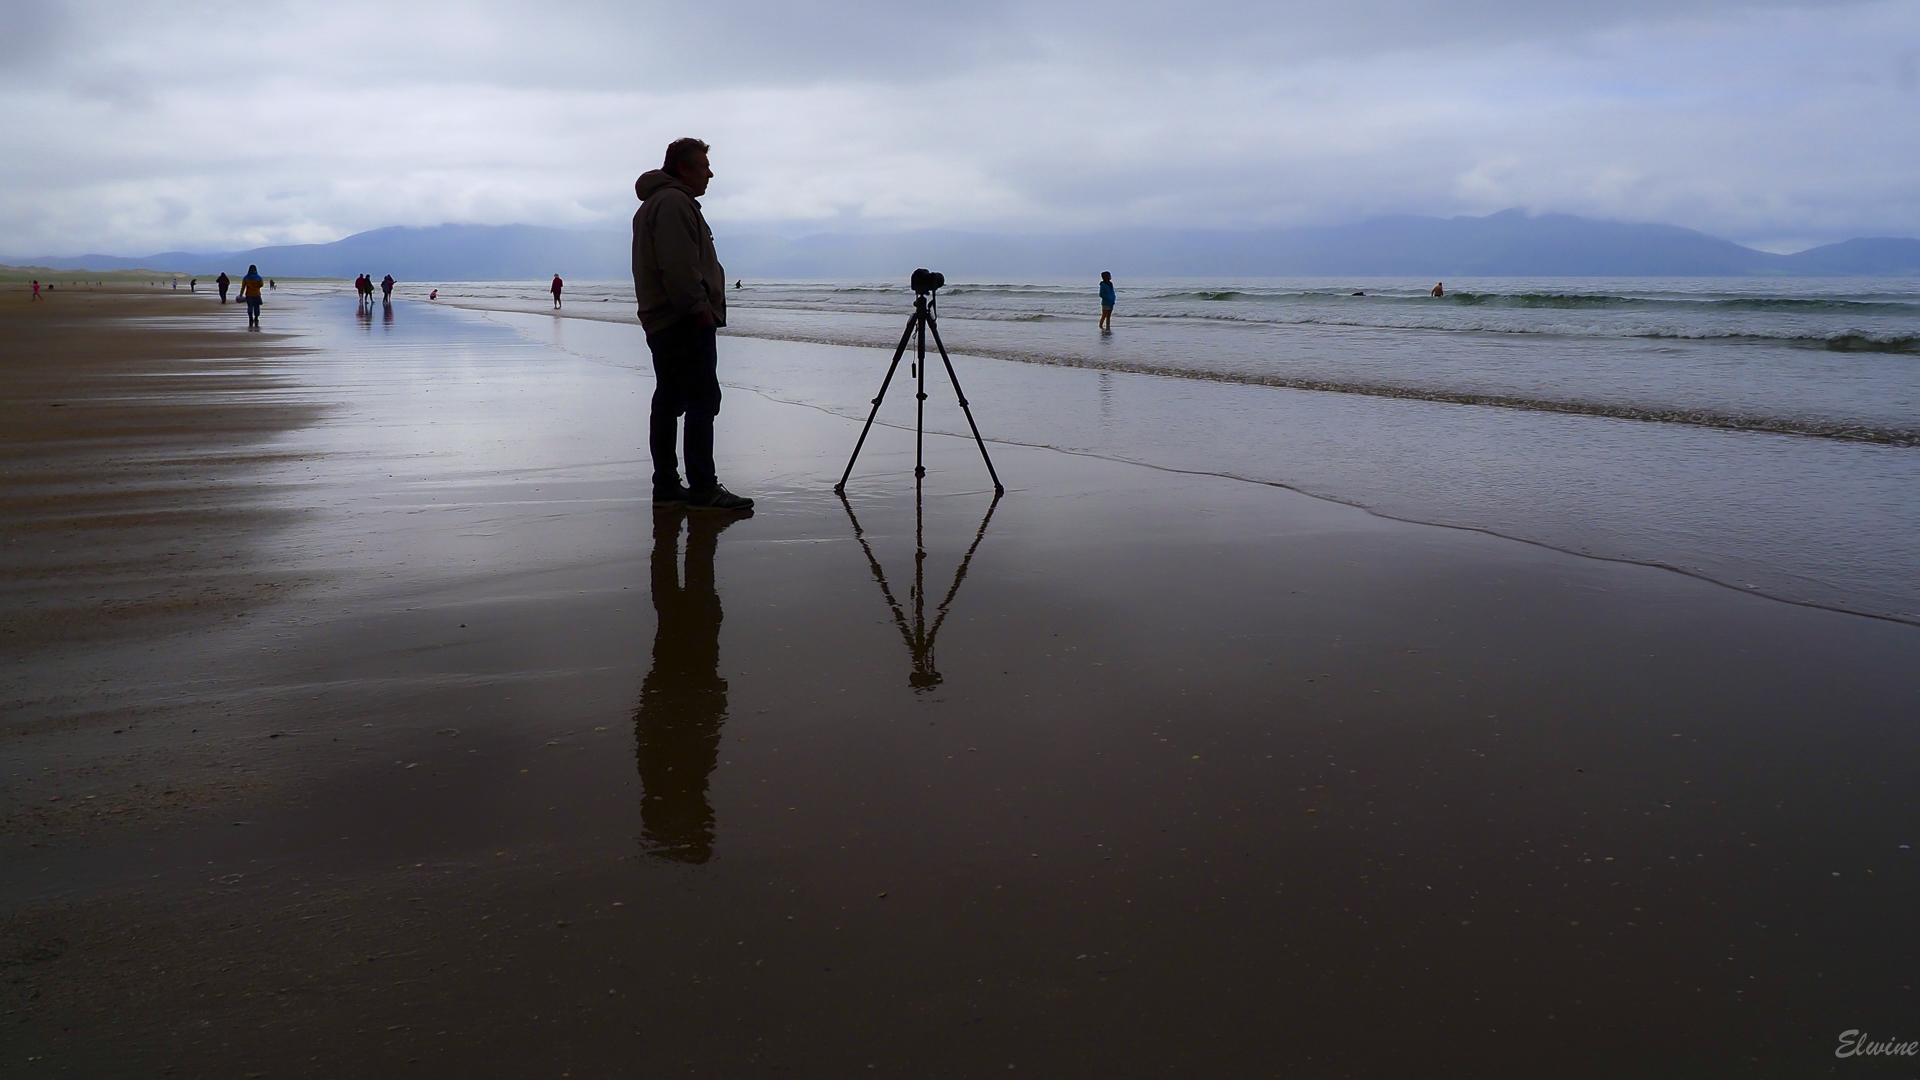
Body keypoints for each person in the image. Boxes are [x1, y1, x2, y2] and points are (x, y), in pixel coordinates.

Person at [633, 137, 753, 512]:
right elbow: (679, 265)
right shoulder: (673, 203)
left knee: (669, 400)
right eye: (704, 166)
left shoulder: (659, 203)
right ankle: (702, 486)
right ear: (683, 168)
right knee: (702, 399)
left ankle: (668, 485)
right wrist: (699, 308)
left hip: (665, 319)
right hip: (682, 319)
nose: (710, 173)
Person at [633, 504, 740, 862]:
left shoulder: (669, 775)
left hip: (678, 683)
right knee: (690, 599)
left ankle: (672, 487)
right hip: (687, 683)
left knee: (679, 601)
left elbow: (649, 735)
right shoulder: (685, 776)